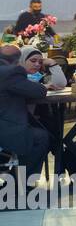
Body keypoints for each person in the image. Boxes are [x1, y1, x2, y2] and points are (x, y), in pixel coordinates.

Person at [0, 44, 51, 176]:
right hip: (5, 127)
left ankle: (14, 175)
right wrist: (44, 86)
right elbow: (38, 91)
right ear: (18, 60)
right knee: (41, 137)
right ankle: (23, 181)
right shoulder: (10, 72)